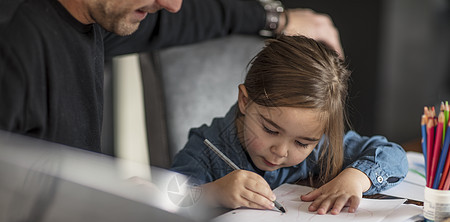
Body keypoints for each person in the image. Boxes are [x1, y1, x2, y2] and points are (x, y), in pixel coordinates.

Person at [0, 0, 343, 153]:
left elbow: (182, 19)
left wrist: (276, 20)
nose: (173, 3)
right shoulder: (15, 42)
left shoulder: (91, 20)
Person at [170, 35, 408, 215]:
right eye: (271, 130)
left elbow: (394, 156)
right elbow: (167, 200)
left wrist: (356, 178)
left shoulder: (320, 146)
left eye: (302, 143)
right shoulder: (205, 150)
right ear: (245, 101)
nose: (281, 152)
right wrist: (213, 193)